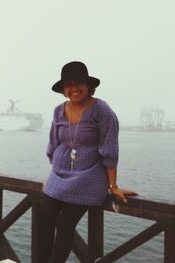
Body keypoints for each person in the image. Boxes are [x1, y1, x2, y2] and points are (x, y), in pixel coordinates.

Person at [37, 61, 133, 263]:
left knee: (64, 224)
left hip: (89, 177)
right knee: (44, 218)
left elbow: (110, 150)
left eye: (78, 83)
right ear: (63, 90)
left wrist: (113, 186)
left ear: (88, 85)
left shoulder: (102, 111)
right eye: (68, 85)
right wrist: (52, 179)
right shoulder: (58, 111)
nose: (73, 89)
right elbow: (54, 145)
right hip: (59, 176)